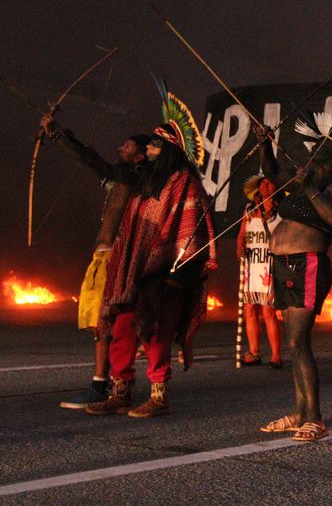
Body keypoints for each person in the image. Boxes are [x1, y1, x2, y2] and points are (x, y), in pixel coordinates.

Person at [85, 93, 217, 419]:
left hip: (167, 273)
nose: (150, 150)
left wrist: (177, 274)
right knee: (122, 329)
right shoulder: (145, 182)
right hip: (133, 273)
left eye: (157, 145)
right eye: (150, 144)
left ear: (169, 148)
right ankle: (121, 392)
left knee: (156, 333)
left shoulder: (184, 182)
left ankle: (159, 397)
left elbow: (191, 232)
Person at [39, 114, 149, 409]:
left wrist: (57, 135)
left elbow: (91, 159)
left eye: (127, 146)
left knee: (105, 323)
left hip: (115, 256)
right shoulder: (123, 180)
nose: (121, 148)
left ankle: (103, 384)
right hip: (102, 257)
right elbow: (93, 160)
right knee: (100, 324)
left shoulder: (131, 178)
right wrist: (60, 134)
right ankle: (111, 381)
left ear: (140, 155)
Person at [257, 115, 332, 442]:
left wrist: (310, 186)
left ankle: (314, 417)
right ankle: (300, 412)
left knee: (299, 342)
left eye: (319, 162)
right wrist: (264, 144)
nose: (312, 166)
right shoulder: (305, 184)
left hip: (307, 265)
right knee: (293, 343)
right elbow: (272, 173)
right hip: (284, 265)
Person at [236, 176, 283, 368]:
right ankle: (254, 351)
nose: (265, 186)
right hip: (251, 264)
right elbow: (241, 235)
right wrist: (240, 248)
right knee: (249, 309)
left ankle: (276, 355)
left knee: (268, 311)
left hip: (269, 264)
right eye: (262, 183)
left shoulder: (281, 211)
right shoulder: (249, 210)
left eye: (270, 183)